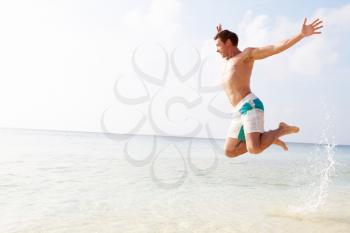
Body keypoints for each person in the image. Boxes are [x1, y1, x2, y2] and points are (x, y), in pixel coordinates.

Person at [215, 18, 323, 157]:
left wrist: (301, 34)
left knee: (254, 148)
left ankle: (281, 130)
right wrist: (220, 35)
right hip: (238, 111)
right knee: (230, 152)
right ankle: (266, 138)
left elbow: (274, 48)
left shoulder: (246, 56)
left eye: (218, 46)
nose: (217, 50)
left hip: (250, 105)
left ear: (228, 43)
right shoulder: (229, 62)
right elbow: (226, 52)